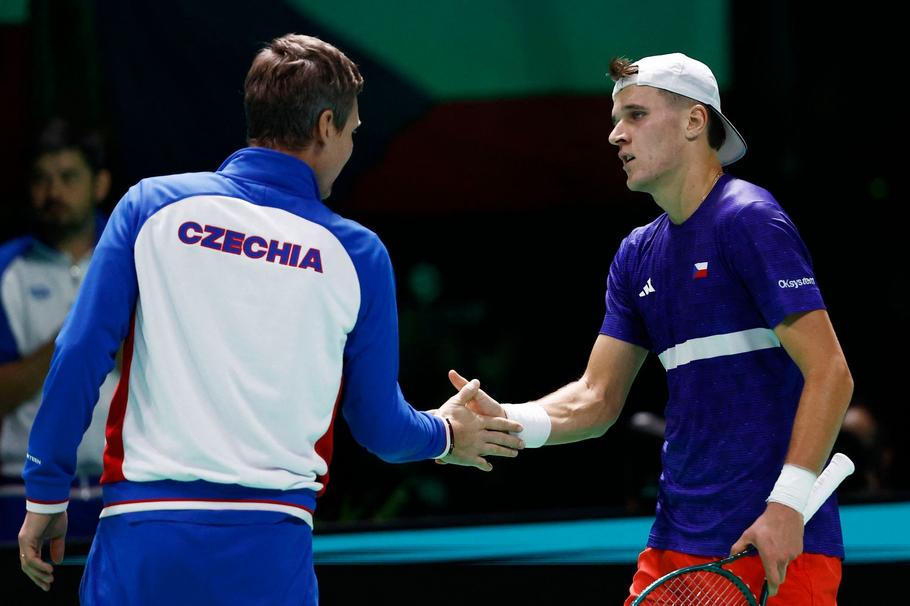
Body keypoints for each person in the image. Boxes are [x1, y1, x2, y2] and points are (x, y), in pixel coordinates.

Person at [18, 34, 523, 604]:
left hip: (144, 542)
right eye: (353, 133)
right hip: (270, 554)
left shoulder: (151, 207)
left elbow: (80, 352)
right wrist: (448, 433)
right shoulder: (356, 254)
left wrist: (46, 495)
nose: (351, 147)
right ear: (326, 125)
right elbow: (381, 429)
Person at [450, 53, 853, 604]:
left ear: (694, 122)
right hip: (674, 547)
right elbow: (596, 398)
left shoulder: (749, 219)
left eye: (635, 115)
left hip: (774, 542)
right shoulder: (638, 254)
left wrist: (786, 505)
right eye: (616, 120)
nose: (616, 135)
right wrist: (508, 420)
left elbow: (830, 372)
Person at [0, 121, 118, 538]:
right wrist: (78, 337)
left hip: (121, 492)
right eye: (41, 180)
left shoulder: (138, 261)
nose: (53, 192)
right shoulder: (6, 270)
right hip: (19, 493)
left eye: (68, 177)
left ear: (100, 184)